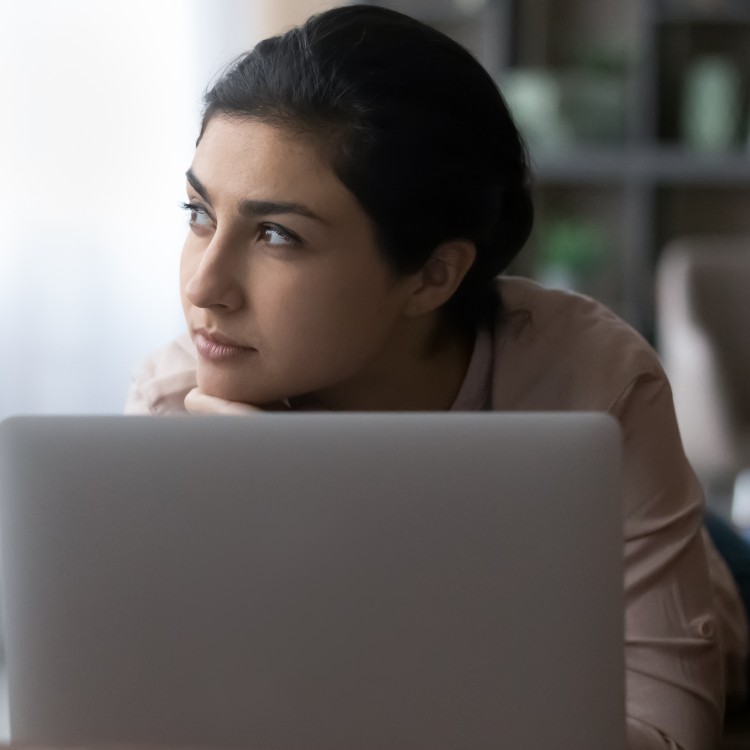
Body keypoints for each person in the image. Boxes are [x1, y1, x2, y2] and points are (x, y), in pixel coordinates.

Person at [125, 5, 749, 748]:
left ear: (432, 274)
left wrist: (341, 502)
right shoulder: (174, 406)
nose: (203, 286)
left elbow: (666, 731)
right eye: (198, 213)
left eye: (276, 234)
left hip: (683, 569)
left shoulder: (590, 382)